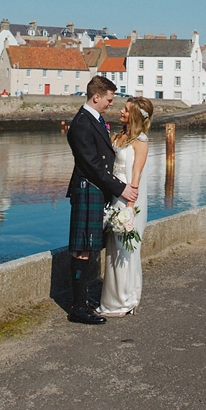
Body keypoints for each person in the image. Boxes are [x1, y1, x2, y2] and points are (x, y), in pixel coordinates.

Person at [65, 76, 137, 325]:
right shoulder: (81, 124)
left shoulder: (94, 119)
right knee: (82, 249)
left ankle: (82, 303)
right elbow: (93, 165)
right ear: (97, 96)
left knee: (88, 247)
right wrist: (121, 189)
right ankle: (77, 307)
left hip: (95, 190)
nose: (110, 104)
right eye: (108, 99)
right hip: (87, 188)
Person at [98, 95, 153, 317]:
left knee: (125, 250)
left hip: (128, 198)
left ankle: (125, 299)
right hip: (113, 197)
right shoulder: (118, 136)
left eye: (127, 110)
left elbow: (136, 174)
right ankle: (111, 299)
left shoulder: (140, 142)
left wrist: (130, 208)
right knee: (113, 249)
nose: (122, 111)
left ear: (136, 116)